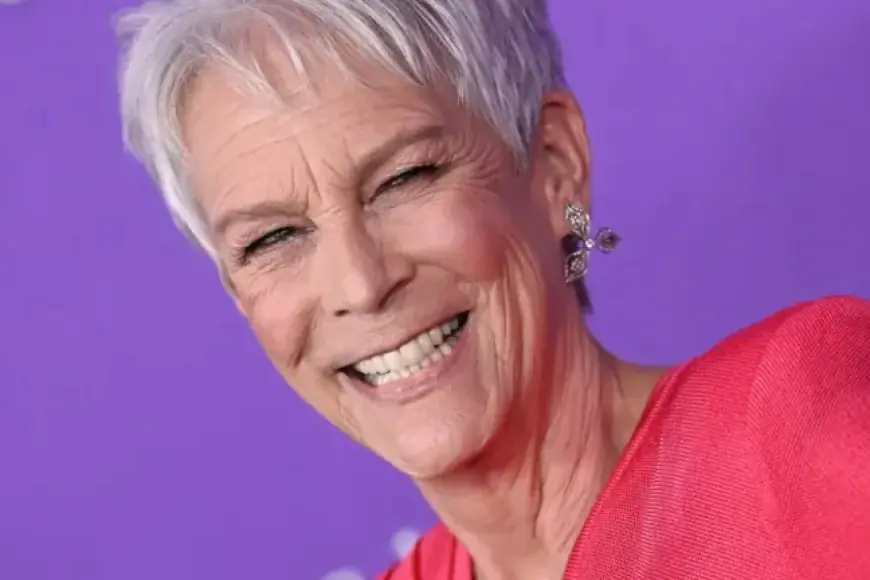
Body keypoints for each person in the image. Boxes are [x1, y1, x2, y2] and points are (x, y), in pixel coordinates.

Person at [116, 1, 870, 578]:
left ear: (554, 164)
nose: (359, 284)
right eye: (272, 239)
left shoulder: (798, 421)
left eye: (404, 179)